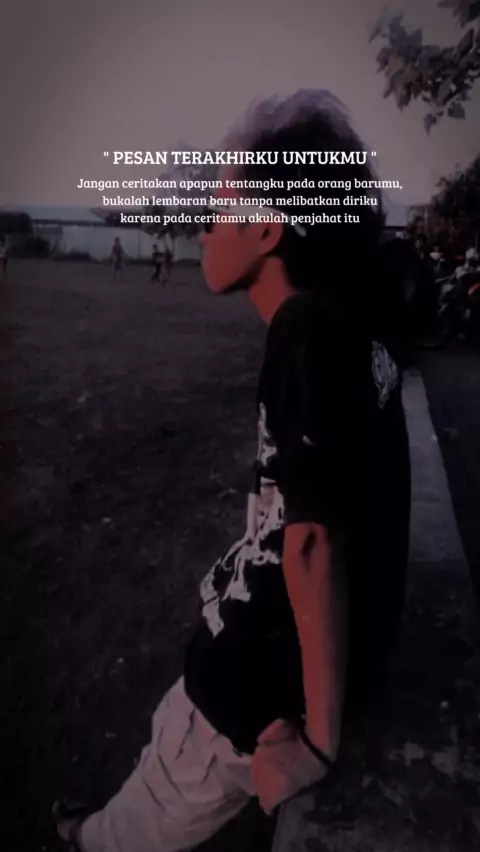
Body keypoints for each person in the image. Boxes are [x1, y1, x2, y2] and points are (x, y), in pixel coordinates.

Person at [54, 89, 411, 852]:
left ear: (267, 228)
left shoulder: (305, 328)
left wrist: (319, 743)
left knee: (140, 818)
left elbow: (313, 542)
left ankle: (85, 836)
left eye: (219, 207)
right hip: (272, 659)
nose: (203, 225)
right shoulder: (348, 318)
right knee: (166, 750)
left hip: (251, 688)